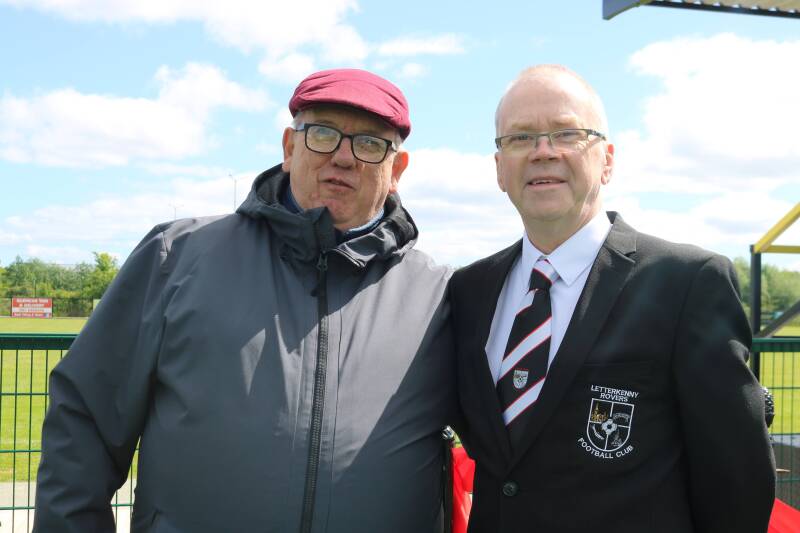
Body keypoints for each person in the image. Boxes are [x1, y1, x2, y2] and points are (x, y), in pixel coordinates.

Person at [34, 68, 456, 533]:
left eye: (371, 144)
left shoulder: (440, 296)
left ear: (396, 170)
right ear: (289, 148)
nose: (343, 156)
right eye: (322, 134)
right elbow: (85, 423)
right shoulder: (175, 257)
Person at [449, 65, 776, 533]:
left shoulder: (687, 283)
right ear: (499, 168)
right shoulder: (469, 290)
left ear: (607, 159)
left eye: (566, 133)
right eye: (520, 138)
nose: (543, 152)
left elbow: (737, 480)